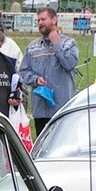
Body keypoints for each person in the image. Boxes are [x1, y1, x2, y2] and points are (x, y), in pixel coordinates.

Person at [19, 7, 79, 136]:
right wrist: (35, 79)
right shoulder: (32, 46)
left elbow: (69, 64)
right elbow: (23, 72)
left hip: (62, 109)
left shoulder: (69, 43)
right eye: (38, 20)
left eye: (43, 19)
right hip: (40, 110)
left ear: (54, 19)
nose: (40, 22)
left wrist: (57, 44)